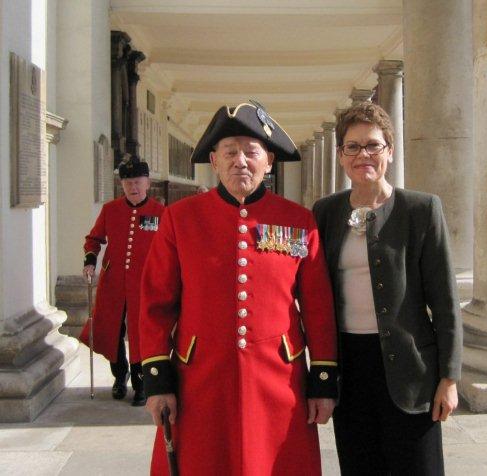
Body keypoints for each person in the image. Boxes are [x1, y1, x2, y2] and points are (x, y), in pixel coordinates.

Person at [139, 102, 338, 475]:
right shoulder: (181, 219)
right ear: (213, 162)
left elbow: (318, 306)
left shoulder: (298, 221)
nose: (240, 161)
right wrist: (157, 380)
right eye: (230, 152)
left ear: (269, 161)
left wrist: (323, 380)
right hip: (200, 379)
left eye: (251, 152)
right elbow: (155, 303)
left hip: (279, 381)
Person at [313, 102, 463, 475]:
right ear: (341, 156)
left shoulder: (422, 209)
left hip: (411, 371)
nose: (363, 154)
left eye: (373, 145)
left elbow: (445, 301)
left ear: (389, 152)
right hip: (350, 370)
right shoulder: (325, 212)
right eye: (353, 146)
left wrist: (449, 377)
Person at [80, 156, 164, 406]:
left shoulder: (161, 213)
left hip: (144, 284)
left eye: (137, 182)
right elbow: (93, 239)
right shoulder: (111, 209)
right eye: (128, 183)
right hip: (113, 282)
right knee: (110, 330)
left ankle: (141, 384)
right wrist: (90, 260)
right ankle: (120, 375)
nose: (133, 188)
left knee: (140, 334)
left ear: (148, 182)